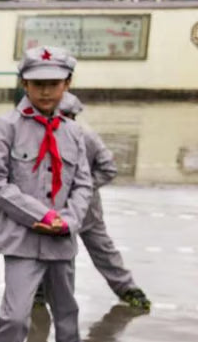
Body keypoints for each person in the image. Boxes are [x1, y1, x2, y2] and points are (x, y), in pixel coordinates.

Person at [0, 46, 105, 342]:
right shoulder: (7, 127)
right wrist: (42, 215)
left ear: (67, 84)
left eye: (54, 83)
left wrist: (70, 221)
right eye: (37, 83)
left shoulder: (74, 132)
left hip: (63, 238)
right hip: (22, 238)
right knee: (14, 316)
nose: (46, 91)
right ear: (24, 84)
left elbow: (84, 184)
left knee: (67, 311)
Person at [50, 93, 151, 311]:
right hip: (56, 209)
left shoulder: (87, 137)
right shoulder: (42, 135)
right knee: (53, 253)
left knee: (102, 250)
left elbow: (108, 169)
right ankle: (43, 296)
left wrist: (82, 188)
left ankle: (129, 290)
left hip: (86, 209)